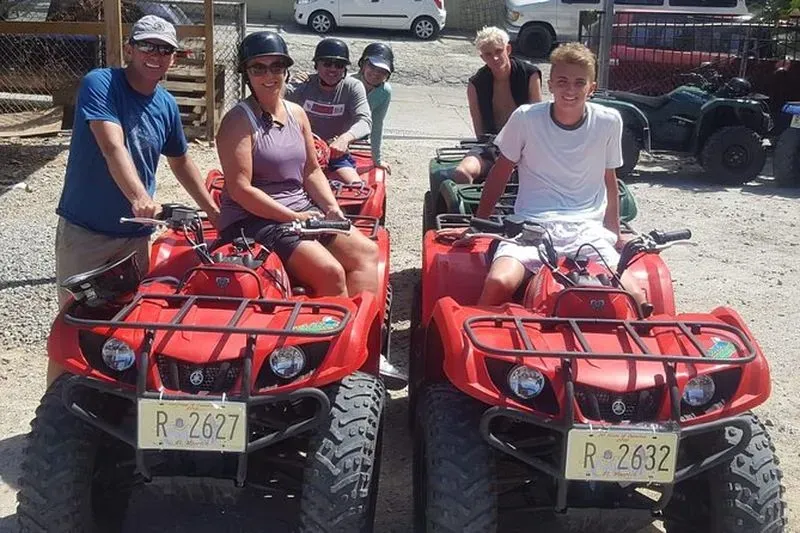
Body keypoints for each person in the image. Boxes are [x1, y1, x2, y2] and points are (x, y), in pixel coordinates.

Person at [217, 31, 406, 387]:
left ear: (288, 70)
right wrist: (293, 218)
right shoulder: (238, 121)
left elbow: (311, 170)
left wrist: (332, 210)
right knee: (330, 272)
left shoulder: (296, 113)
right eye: (258, 68)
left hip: (300, 211)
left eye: (277, 66)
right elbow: (240, 189)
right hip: (253, 220)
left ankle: (364, 350)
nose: (269, 75)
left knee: (367, 253)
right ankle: (324, 360)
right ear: (246, 72)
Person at [50, 14, 220, 386]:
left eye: (164, 50)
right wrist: (142, 199)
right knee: (73, 327)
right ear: (129, 49)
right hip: (87, 234)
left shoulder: (166, 105)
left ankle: (116, 415)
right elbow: (113, 147)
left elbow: (182, 160)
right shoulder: (101, 84)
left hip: (134, 239)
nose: (155, 55)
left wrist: (214, 212)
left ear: (174, 58)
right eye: (147, 46)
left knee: (129, 326)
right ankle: (54, 426)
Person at [473, 42, 639, 307]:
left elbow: (609, 178)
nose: (570, 89)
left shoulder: (609, 121)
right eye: (562, 81)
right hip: (531, 225)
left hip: (587, 228)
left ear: (591, 88)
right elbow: (501, 171)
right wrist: (478, 224)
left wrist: (615, 233)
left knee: (636, 294)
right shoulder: (526, 118)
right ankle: (475, 346)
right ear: (549, 84)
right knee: (498, 282)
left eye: (579, 82)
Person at [453, 26, 543, 185]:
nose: (494, 58)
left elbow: (539, 119)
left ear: (508, 49)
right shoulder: (476, 84)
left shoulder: (529, 74)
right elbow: (480, 131)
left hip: (527, 146)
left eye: (498, 51)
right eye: (488, 54)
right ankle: (474, 208)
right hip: (491, 147)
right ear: (482, 58)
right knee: (462, 172)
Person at [285, 38, 372, 185]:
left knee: (356, 189)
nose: (332, 69)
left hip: (335, 154)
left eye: (338, 65)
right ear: (316, 65)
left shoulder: (352, 87)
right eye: (327, 63)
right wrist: (284, 80)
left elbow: (365, 120)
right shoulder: (303, 84)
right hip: (300, 152)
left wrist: (344, 139)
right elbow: (272, 99)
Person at [352, 42, 394, 173]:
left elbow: (377, 123)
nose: (376, 73)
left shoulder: (385, 91)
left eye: (382, 70)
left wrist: (377, 159)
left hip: (358, 136)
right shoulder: (347, 82)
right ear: (363, 65)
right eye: (372, 66)